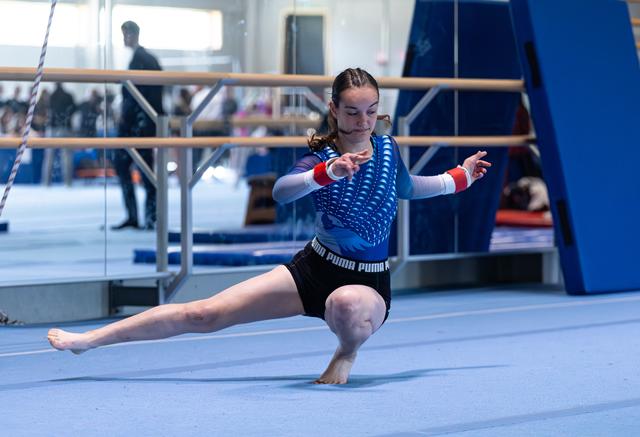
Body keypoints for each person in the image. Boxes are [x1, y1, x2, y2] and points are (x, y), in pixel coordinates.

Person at [47, 68, 491, 384]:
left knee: (345, 307)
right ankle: (89, 341)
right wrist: (329, 173)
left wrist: (460, 177)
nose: (363, 122)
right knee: (203, 313)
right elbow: (282, 191)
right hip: (314, 268)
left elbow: (411, 188)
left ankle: (346, 352)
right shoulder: (320, 158)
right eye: (353, 112)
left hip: (366, 284)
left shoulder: (388, 150)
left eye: (371, 111)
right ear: (334, 110)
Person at [111, 20, 164, 230]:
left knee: (144, 171)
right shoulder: (142, 59)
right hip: (139, 122)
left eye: (127, 34)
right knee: (133, 168)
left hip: (139, 124)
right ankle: (141, 216)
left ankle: (146, 216)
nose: (125, 39)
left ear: (134, 35)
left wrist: (138, 121)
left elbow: (146, 96)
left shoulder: (143, 59)